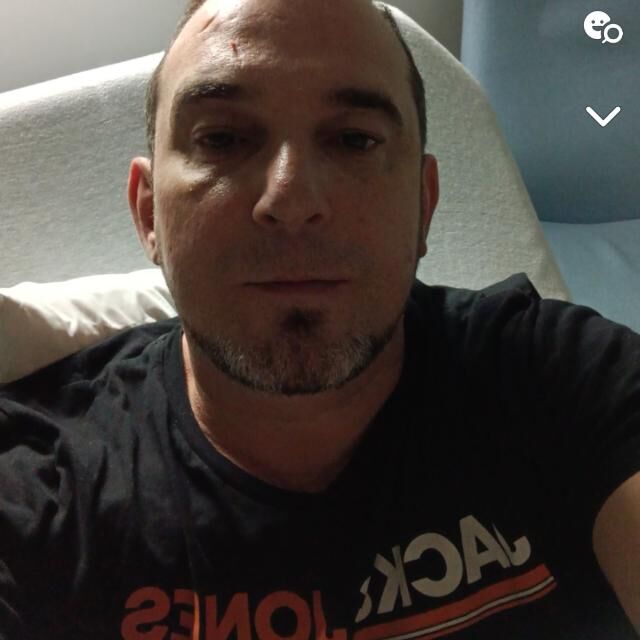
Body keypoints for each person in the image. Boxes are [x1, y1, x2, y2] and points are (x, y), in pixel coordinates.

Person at [0, 0, 639, 638]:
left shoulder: (563, 383)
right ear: (148, 216)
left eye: (354, 140)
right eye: (222, 139)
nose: (291, 198)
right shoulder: (39, 482)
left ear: (424, 204)